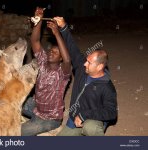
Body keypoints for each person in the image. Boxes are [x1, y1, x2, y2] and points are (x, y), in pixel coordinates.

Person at [54, 17, 118, 136]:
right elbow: (73, 48)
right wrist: (63, 27)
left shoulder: (107, 87)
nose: (84, 63)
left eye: (89, 62)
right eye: (86, 60)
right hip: (74, 120)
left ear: (99, 67)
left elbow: (111, 113)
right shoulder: (82, 69)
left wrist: (85, 115)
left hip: (91, 121)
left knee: (91, 128)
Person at [21, 8, 71, 136]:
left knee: (19, 132)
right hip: (37, 107)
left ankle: (45, 128)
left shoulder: (63, 73)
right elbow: (35, 41)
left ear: (60, 58)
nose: (51, 52)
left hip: (50, 118)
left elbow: (67, 60)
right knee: (11, 102)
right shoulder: (43, 61)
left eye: (55, 52)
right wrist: (38, 21)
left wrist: (56, 33)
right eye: (50, 50)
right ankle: (33, 123)